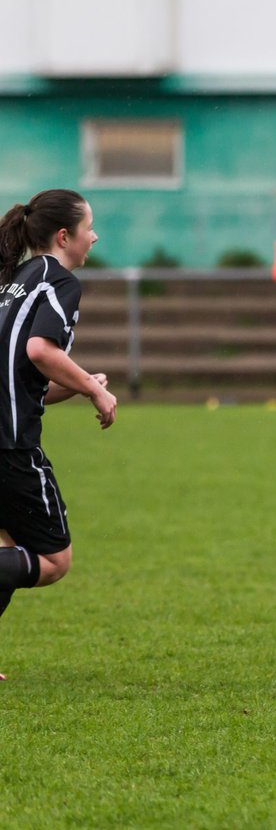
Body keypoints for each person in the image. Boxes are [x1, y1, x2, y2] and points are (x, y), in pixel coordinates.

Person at [0, 189, 117, 681]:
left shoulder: (16, 282)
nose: (95, 236)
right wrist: (93, 388)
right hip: (9, 445)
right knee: (52, 560)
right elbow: (39, 350)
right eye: (89, 227)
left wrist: (72, 387)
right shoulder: (59, 281)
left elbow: (23, 377)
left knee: (7, 546)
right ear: (64, 236)